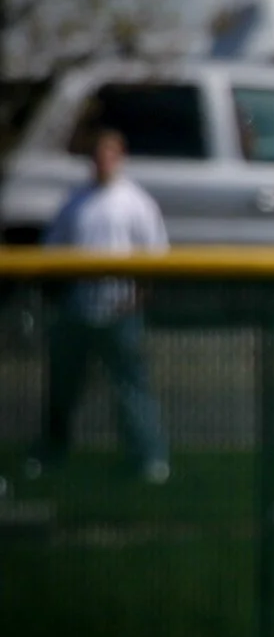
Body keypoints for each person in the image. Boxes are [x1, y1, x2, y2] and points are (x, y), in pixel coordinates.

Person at [25, 129, 170, 485]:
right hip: (78, 310)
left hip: (120, 311)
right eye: (98, 154)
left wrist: (138, 299)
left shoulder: (136, 202)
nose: (103, 160)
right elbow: (51, 250)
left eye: (110, 153)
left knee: (131, 388)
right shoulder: (76, 200)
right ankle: (52, 453)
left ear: (121, 156)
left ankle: (149, 458)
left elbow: (156, 257)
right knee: (62, 387)